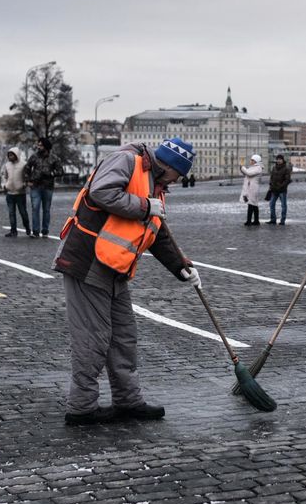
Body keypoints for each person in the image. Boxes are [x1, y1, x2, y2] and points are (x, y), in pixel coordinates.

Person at [53, 137, 199, 425]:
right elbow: (100, 192)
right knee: (92, 339)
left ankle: (128, 401)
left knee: (123, 338)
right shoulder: (127, 161)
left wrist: (181, 267)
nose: (178, 181)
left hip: (115, 267)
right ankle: (81, 408)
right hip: (87, 262)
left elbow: (156, 233)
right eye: (178, 175)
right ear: (169, 166)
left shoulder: (155, 184)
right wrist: (145, 206)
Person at [25, 136, 63, 237]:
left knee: (46, 209)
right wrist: (28, 181)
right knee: (35, 208)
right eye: (38, 144)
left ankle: (45, 230)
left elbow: (60, 171)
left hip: (48, 187)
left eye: (40, 145)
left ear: (46, 147)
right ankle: (36, 231)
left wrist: (50, 173)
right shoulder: (34, 157)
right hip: (35, 186)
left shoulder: (54, 158)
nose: (38, 147)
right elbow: (27, 168)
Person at [1, 147, 32, 237]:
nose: (10, 157)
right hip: (10, 193)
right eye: (9, 155)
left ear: (16, 155)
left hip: (20, 193)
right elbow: (4, 176)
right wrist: (4, 185)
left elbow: (27, 176)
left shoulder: (23, 164)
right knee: (11, 213)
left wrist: (24, 185)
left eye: (12, 155)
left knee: (23, 212)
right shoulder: (7, 165)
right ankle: (13, 231)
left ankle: (27, 228)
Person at [267, 154, 292, 225]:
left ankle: (282, 220)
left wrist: (281, 186)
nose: (278, 160)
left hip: (282, 190)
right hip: (274, 190)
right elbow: (271, 177)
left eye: (280, 159)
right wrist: (271, 185)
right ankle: (273, 219)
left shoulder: (286, 168)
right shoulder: (274, 168)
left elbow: (287, 180)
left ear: (282, 160)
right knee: (271, 204)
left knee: (283, 205)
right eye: (277, 159)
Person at [240, 153, 264, 226]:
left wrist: (242, 167)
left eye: (252, 160)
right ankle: (256, 221)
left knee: (251, 204)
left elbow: (248, 173)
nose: (250, 161)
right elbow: (246, 173)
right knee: (254, 204)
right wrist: (241, 168)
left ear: (255, 161)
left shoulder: (258, 168)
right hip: (251, 187)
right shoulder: (254, 167)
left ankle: (249, 221)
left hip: (253, 188)